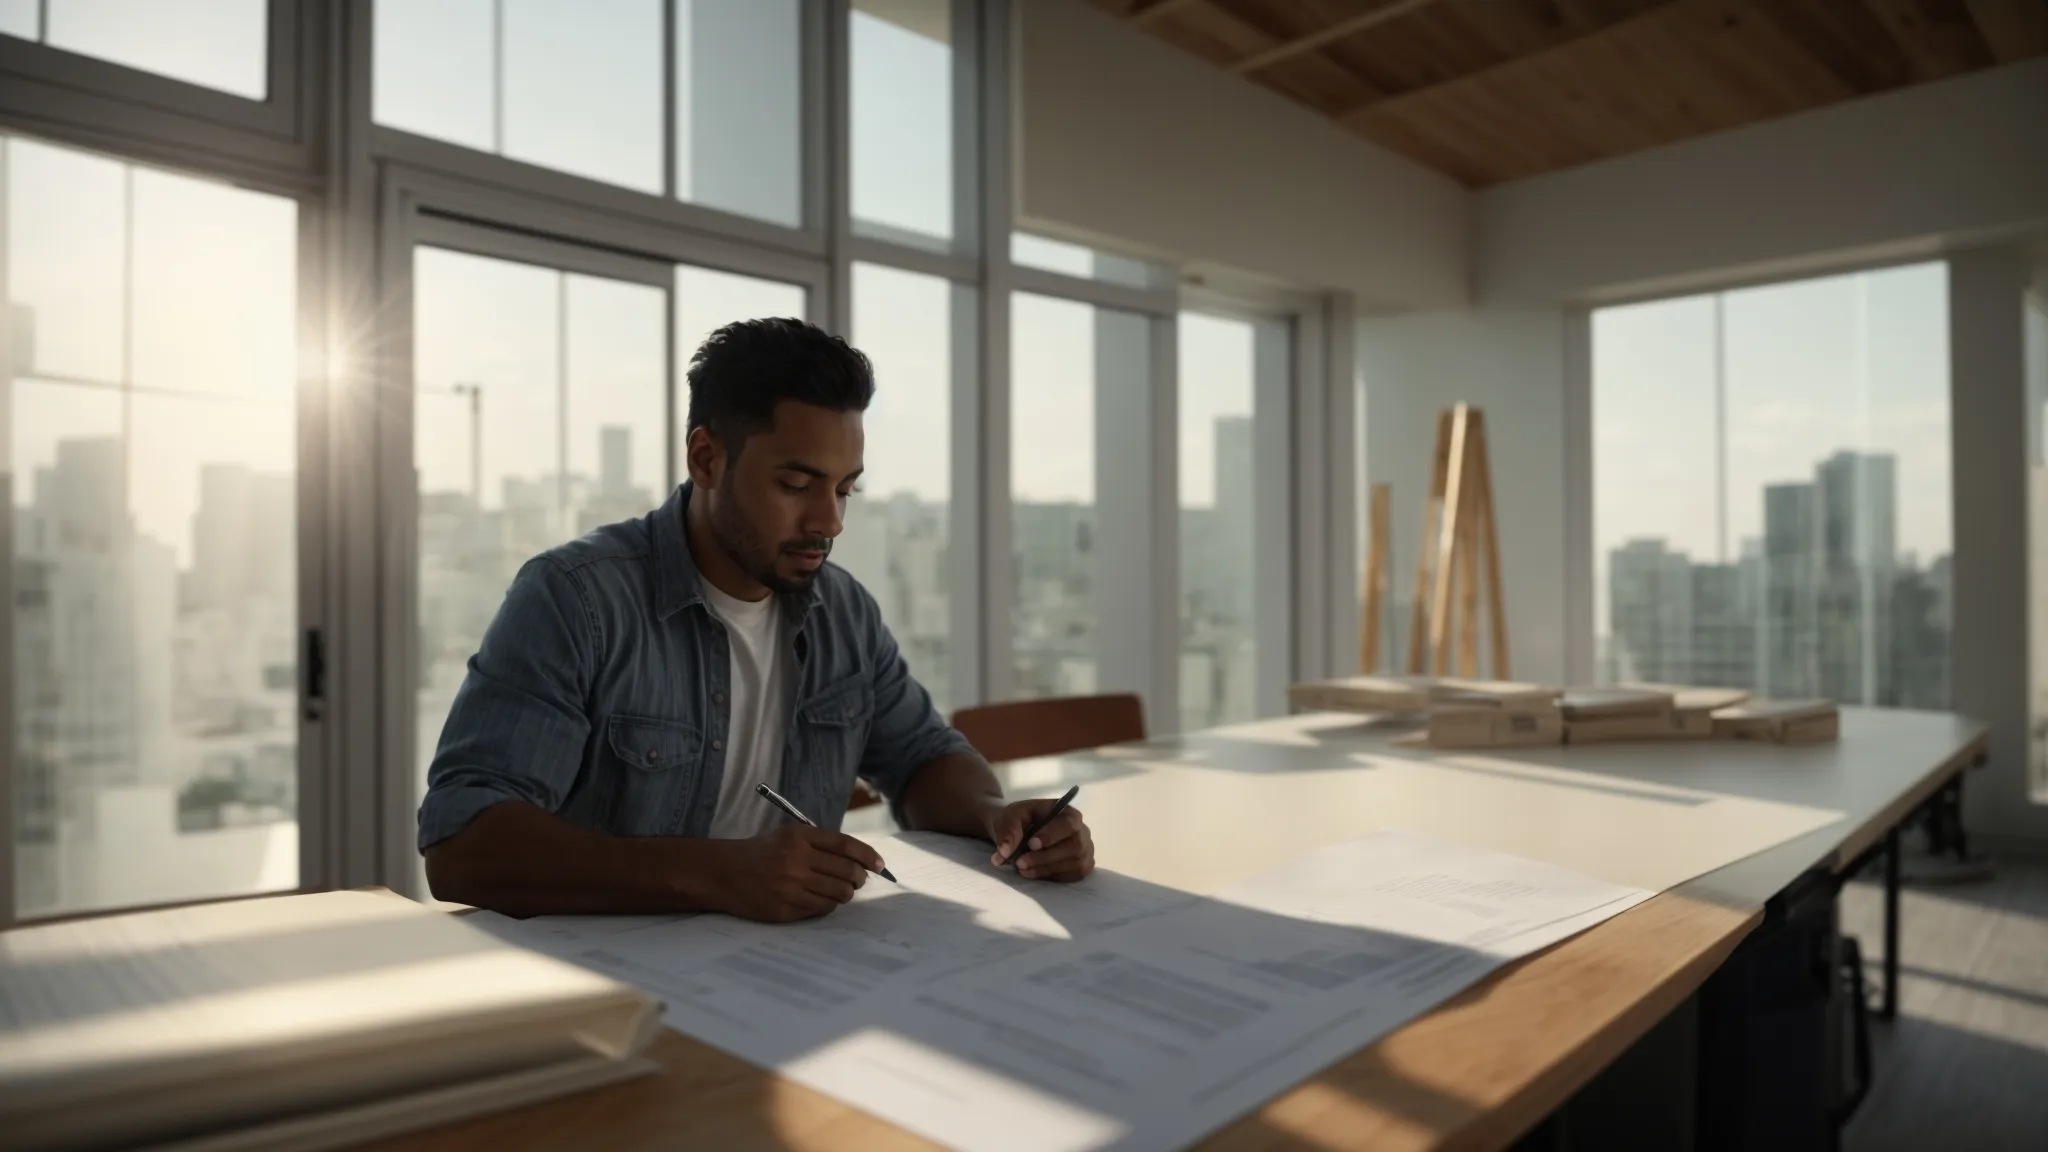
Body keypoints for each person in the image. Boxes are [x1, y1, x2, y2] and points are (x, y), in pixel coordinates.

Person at [419, 317, 1095, 922]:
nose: (828, 521)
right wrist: (720, 872)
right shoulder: (576, 599)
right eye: (796, 486)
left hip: (783, 979)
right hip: (607, 989)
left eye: (844, 488)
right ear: (707, 458)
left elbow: (922, 759)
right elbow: (463, 846)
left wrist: (997, 819)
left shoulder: (844, 611)